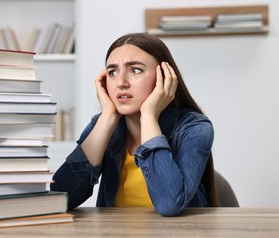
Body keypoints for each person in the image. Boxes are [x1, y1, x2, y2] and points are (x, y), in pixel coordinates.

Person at [50, 32, 220, 216]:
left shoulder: (194, 128)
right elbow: (60, 199)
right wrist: (107, 118)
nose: (121, 83)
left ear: (164, 77)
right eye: (112, 72)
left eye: (135, 70)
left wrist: (149, 116)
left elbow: (169, 204)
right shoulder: (103, 125)